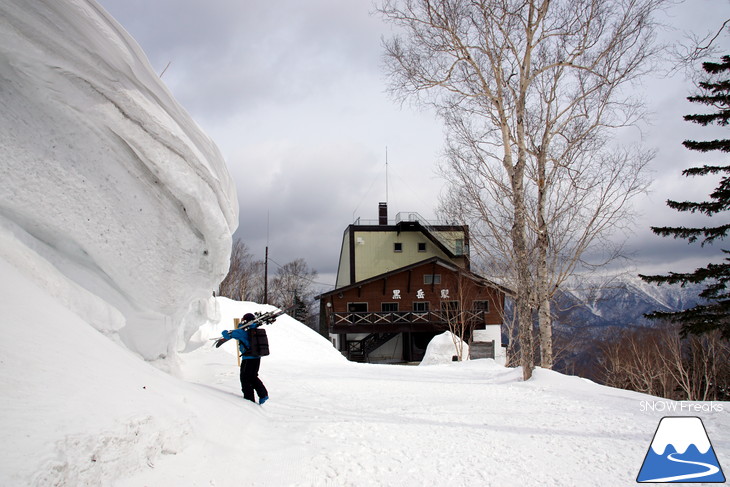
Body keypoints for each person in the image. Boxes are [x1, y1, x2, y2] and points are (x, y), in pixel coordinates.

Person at [221, 313, 269, 404]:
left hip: (248, 359)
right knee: (253, 376)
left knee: (245, 378)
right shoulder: (254, 329)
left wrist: (224, 332)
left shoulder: (242, 331)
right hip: (257, 357)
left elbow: (227, 335)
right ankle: (263, 394)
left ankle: (249, 400)